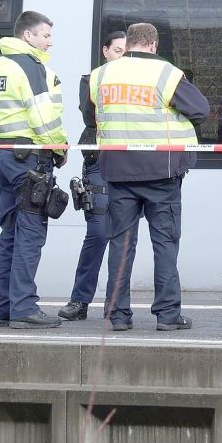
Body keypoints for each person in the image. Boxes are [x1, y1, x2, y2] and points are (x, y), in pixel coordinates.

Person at [93, 22, 209, 331]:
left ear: (129, 43)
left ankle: (117, 315)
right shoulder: (166, 74)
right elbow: (200, 109)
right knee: (165, 244)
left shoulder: (101, 75)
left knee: (120, 244)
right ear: (154, 45)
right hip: (162, 172)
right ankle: (168, 315)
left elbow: (88, 112)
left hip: (117, 171)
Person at [0, 10, 68, 329]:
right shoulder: (30, 66)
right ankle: (23, 308)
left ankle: (1, 308)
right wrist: (59, 150)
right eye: (45, 35)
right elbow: (43, 116)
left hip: (5, 155)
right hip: (31, 159)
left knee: (10, 234)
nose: (49, 42)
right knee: (30, 235)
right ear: (27, 36)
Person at [58, 31, 128, 321]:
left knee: (124, 236)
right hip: (99, 160)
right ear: (105, 51)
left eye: (126, 51)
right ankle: (80, 301)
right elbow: (91, 116)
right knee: (98, 232)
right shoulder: (91, 79)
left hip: (129, 164)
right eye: (117, 50)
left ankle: (116, 305)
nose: (121, 56)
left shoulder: (137, 82)